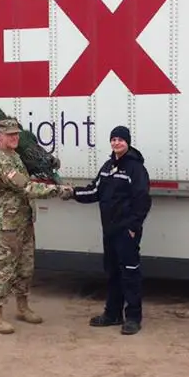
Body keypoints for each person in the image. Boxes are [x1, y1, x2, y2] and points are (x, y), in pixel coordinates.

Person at [61, 125, 152, 335]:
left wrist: (132, 227)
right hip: (109, 230)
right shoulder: (108, 166)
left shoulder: (135, 169)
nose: (116, 143)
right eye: (113, 139)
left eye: (120, 139)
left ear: (127, 142)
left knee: (130, 274)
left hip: (126, 231)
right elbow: (95, 191)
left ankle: (133, 318)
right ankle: (112, 314)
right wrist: (72, 193)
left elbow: (142, 201)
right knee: (112, 273)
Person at [0, 118, 73, 334]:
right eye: (9, 135)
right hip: (7, 224)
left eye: (16, 134)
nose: (14, 138)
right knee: (5, 268)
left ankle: (22, 307)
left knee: (25, 266)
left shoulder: (15, 156)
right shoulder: (2, 162)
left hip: (23, 221)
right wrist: (57, 190)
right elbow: (25, 187)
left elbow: (28, 178)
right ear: (0, 136)